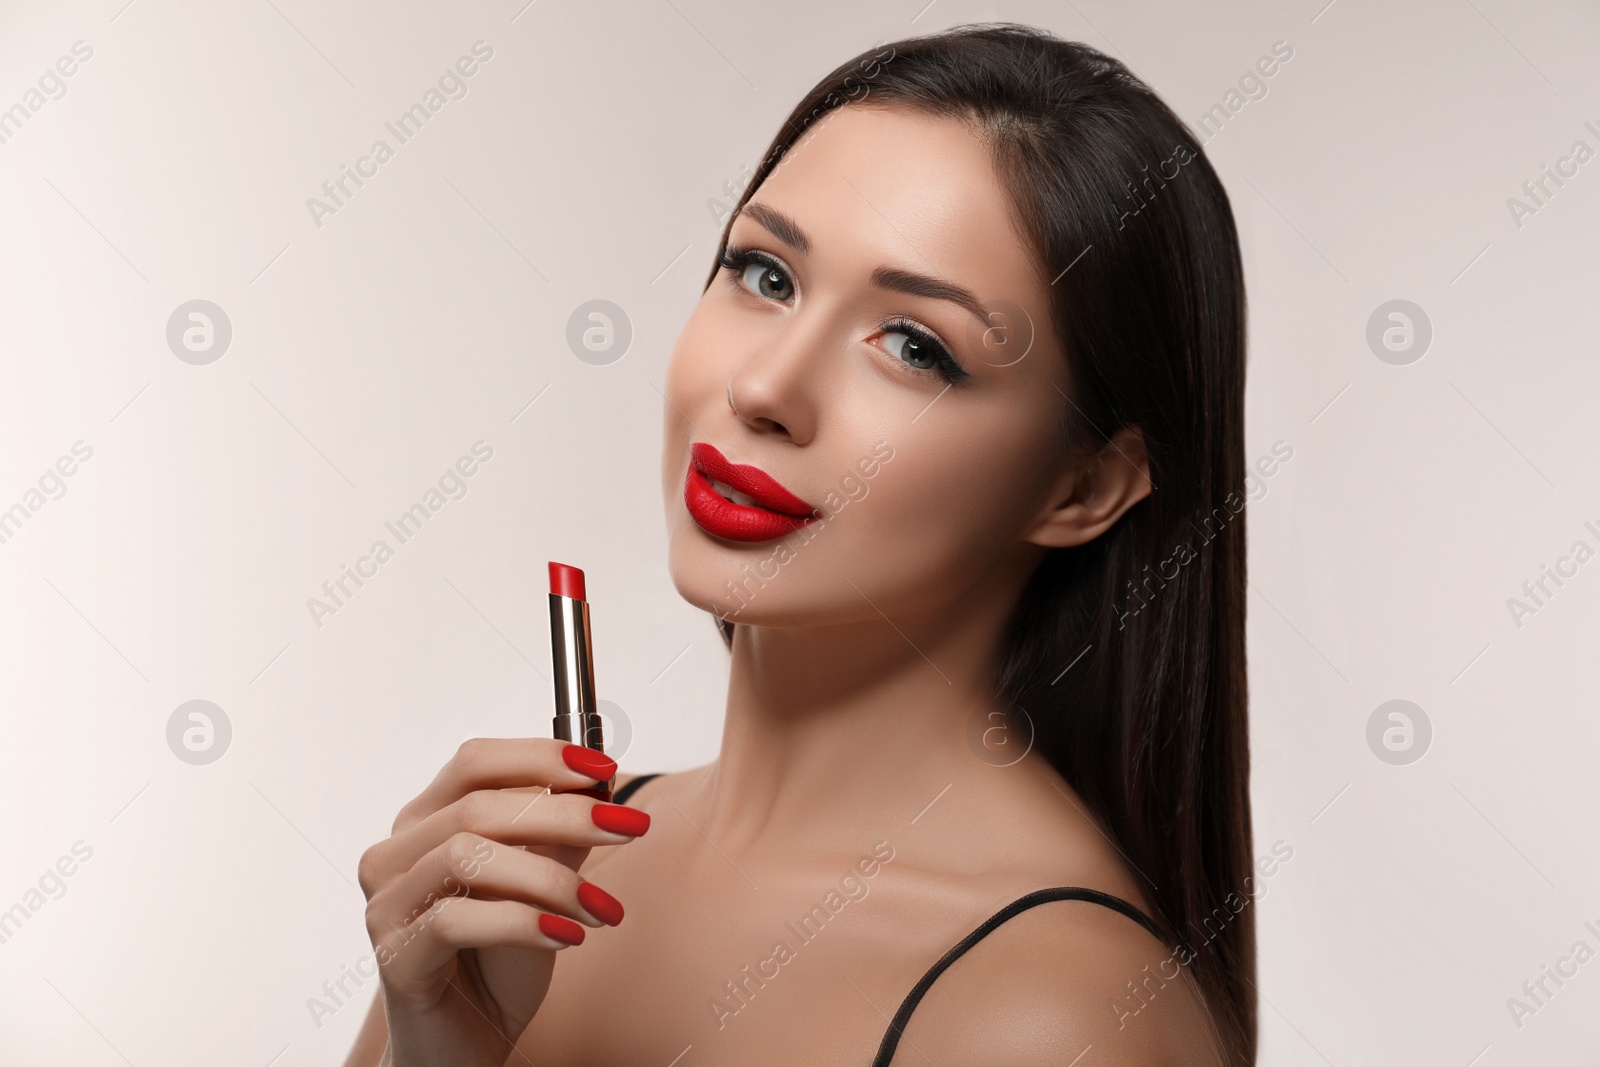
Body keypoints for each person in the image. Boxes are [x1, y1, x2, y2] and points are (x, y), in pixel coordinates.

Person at [347, 22, 1254, 1066]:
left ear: (1081, 485)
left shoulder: (1061, 1019)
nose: (765, 387)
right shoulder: (521, 882)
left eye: (914, 346)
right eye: (766, 274)